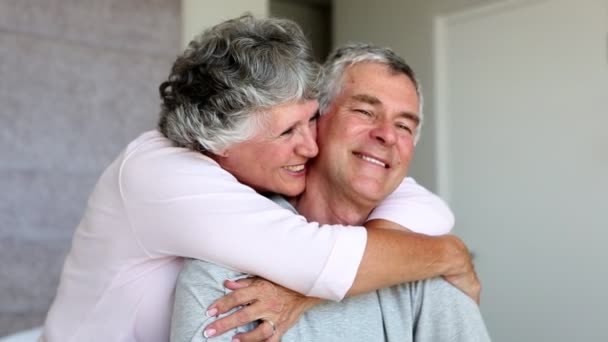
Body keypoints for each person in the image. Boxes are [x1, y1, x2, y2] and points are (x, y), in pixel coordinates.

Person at [41, 15, 474, 342]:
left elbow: (421, 203)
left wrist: (444, 249)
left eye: (310, 121)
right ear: (218, 147)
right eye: (288, 132)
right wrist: (450, 255)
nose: (310, 145)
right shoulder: (165, 179)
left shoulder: (262, 166)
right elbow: (318, 259)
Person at [170, 44, 490, 342]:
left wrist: (310, 291)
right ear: (314, 121)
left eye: (404, 126)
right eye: (365, 112)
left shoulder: (427, 269)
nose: (387, 136)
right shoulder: (223, 270)